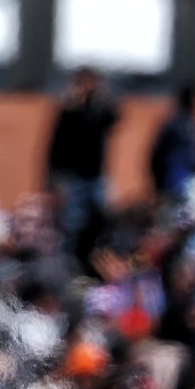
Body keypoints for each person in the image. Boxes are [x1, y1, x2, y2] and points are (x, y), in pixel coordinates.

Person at [44, 68, 119, 253]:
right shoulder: (68, 112)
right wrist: (54, 181)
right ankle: (70, 267)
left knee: (102, 221)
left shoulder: (99, 110)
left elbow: (113, 118)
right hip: (72, 179)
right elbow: (56, 147)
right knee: (72, 225)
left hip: (96, 176)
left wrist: (97, 97)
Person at [148, 84, 195, 207]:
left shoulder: (190, 123)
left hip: (187, 182)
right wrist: (160, 184)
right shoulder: (178, 124)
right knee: (173, 220)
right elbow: (158, 155)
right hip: (176, 183)